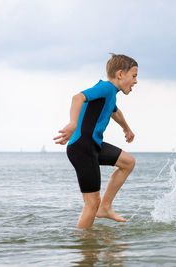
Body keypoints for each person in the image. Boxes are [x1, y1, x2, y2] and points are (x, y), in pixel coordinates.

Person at [53, 54, 138, 229]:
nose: (136, 81)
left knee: (128, 162)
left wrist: (126, 128)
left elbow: (115, 112)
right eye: (134, 76)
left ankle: (105, 207)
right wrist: (73, 124)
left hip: (93, 145)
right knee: (91, 204)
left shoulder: (111, 94)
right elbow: (78, 97)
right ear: (120, 74)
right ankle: (85, 250)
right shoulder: (106, 88)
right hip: (82, 147)